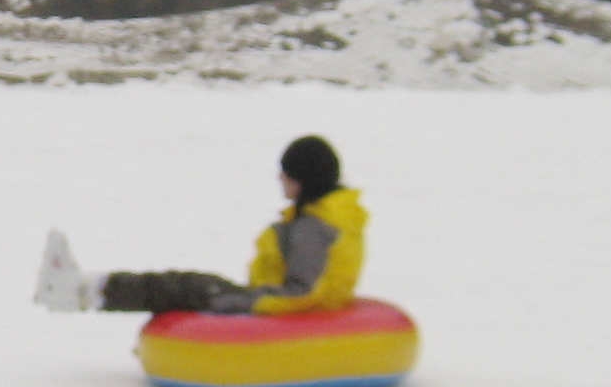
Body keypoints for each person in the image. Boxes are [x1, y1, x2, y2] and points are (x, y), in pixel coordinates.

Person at [35, 135, 366, 317]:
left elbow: (302, 293)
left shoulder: (314, 227)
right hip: (272, 300)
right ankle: (86, 288)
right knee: (189, 283)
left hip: (273, 307)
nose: (280, 179)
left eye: (287, 173)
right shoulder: (330, 216)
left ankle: (76, 290)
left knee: (184, 287)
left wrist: (240, 303)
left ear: (304, 180)